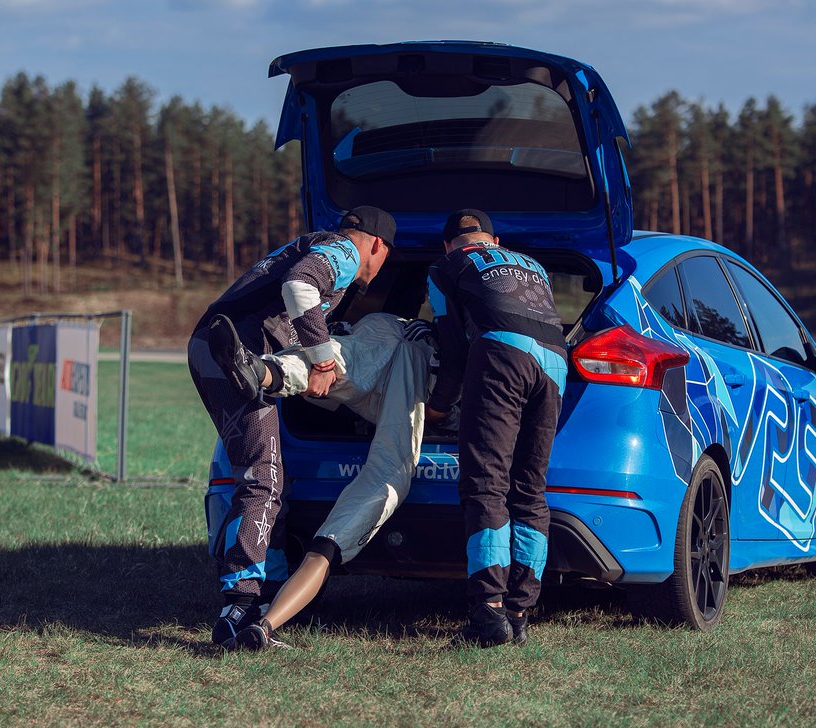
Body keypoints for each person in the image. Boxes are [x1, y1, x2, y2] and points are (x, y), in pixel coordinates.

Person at [187, 206, 395, 650]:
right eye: (385, 258)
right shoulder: (342, 251)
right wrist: (321, 360)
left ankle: (266, 597)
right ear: (376, 244)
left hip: (211, 345)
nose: (379, 269)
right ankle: (239, 604)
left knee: (268, 474)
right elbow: (300, 286)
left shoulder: (314, 239)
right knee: (261, 476)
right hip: (234, 353)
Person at [216, 313, 436, 650]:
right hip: (409, 361)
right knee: (382, 477)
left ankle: (266, 371)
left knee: (341, 358)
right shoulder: (441, 327)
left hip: (382, 344)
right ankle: (265, 624)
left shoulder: (381, 322)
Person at [425, 209, 567, 646]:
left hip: (503, 354)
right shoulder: (533, 266)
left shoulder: (445, 267)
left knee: (485, 485)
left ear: (449, 244)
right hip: (556, 364)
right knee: (529, 488)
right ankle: (519, 612)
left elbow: (450, 346)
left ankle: (487, 613)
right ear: (495, 240)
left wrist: (438, 405)